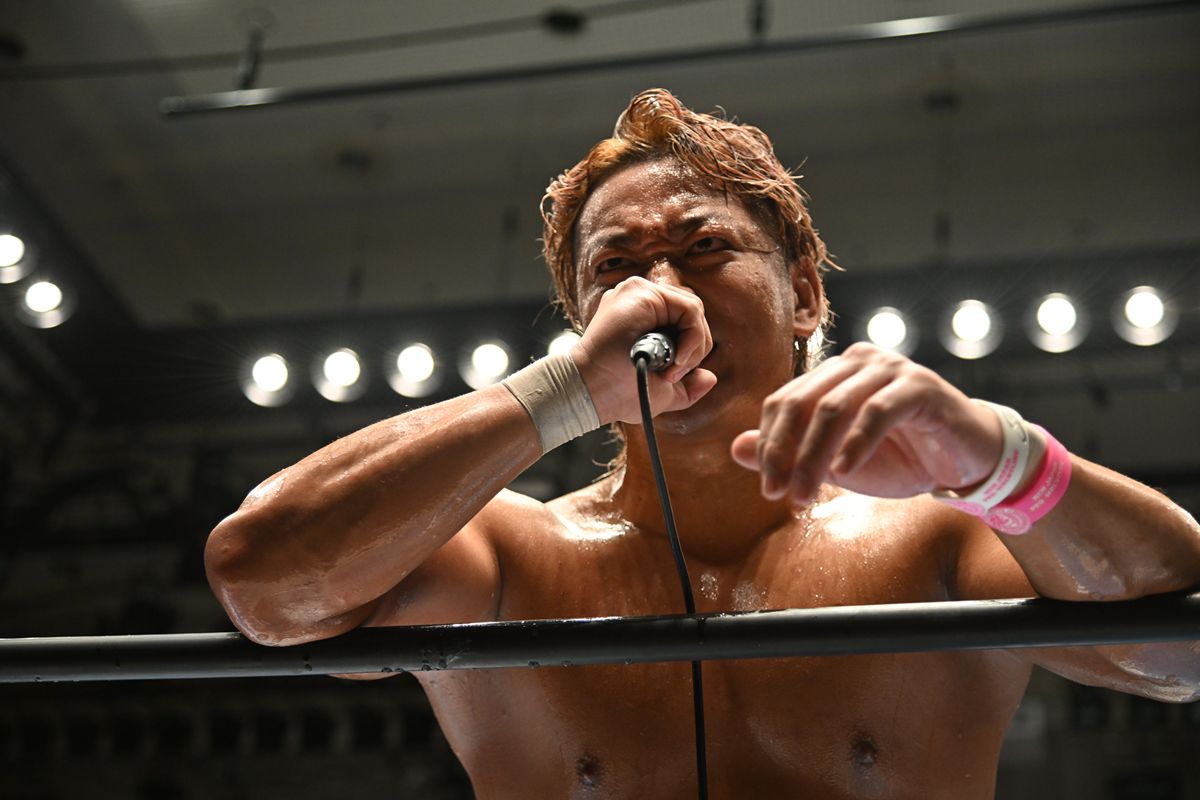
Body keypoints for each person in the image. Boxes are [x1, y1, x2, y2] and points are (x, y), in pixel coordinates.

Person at [205, 89, 1200, 799]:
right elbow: (263, 584)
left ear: (802, 293)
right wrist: (560, 393)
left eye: (704, 245)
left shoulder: (938, 536)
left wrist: (998, 457)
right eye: (617, 267)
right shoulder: (506, 556)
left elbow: (1176, 655)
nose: (662, 290)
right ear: (586, 323)